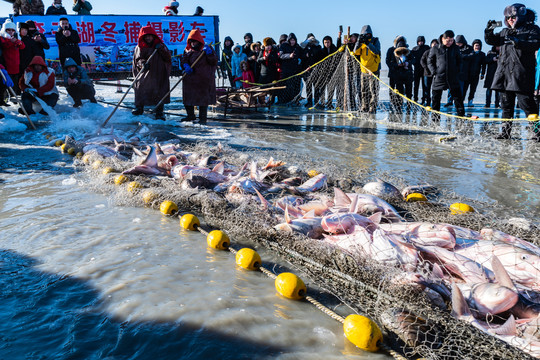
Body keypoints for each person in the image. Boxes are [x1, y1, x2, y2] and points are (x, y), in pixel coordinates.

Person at [485, 3, 540, 140]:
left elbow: (535, 44)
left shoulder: (532, 29)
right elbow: (491, 40)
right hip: (504, 75)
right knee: (506, 106)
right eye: (508, 17)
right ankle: (505, 132)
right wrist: (489, 30)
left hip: (521, 75)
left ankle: (537, 131)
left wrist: (518, 42)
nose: (510, 19)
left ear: (521, 16)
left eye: (513, 16)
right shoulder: (504, 32)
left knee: (527, 105)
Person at [132, 25, 171, 120]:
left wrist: (161, 49)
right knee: (140, 88)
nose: (148, 38)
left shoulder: (160, 45)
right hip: (145, 73)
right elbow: (138, 59)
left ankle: (159, 112)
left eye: (150, 36)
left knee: (159, 91)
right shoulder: (140, 47)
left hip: (159, 73)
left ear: (154, 36)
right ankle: (139, 108)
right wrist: (142, 64)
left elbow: (167, 57)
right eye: (146, 36)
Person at [181, 28, 217, 123]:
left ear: (199, 41)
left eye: (195, 41)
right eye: (191, 41)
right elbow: (183, 60)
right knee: (188, 97)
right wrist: (185, 65)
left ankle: (202, 118)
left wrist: (209, 54)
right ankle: (190, 115)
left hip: (203, 79)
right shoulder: (187, 50)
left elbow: (213, 61)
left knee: (202, 99)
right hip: (190, 79)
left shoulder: (206, 49)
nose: (193, 43)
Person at [428, 30, 466, 117]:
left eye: (452, 40)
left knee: (458, 98)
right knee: (436, 99)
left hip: (452, 77)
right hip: (439, 77)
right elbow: (430, 61)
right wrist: (434, 72)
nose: (450, 42)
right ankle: (435, 117)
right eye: (448, 40)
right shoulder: (435, 48)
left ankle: (461, 116)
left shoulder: (455, 48)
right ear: (443, 39)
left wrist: (457, 71)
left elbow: (460, 61)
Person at [353, 25, 381, 113]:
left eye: (368, 34)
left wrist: (368, 43)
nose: (366, 36)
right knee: (364, 90)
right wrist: (358, 42)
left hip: (373, 71)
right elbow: (355, 52)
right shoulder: (361, 43)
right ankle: (364, 106)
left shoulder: (375, 41)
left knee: (373, 90)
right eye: (364, 34)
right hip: (364, 70)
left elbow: (376, 51)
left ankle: (372, 108)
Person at [387, 35, 413, 112]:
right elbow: (388, 61)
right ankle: (396, 105)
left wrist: (408, 63)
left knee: (409, 92)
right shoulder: (391, 50)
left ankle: (408, 106)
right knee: (397, 91)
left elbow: (413, 60)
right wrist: (397, 65)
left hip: (407, 74)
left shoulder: (408, 51)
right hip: (396, 74)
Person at [1, 20, 25, 94]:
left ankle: (13, 98)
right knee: (5, 86)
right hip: (6, 67)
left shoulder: (15, 38)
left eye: (12, 30)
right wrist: (12, 42)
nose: (11, 32)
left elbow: (22, 46)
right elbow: (4, 46)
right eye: (8, 30)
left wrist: (18, 42)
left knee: (14, 84)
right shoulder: (2, 38)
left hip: (15, 67)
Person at [278, 33, 302, 104]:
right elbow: (281, 55)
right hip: (286, 71)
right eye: (291, 40)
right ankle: (284, 101)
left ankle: (295, 100)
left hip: (295, 70)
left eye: (294, 40)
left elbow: (301, 53)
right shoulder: (284, 46)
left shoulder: (297, 47)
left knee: (295, 87)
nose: (292, 42)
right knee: (286, 87)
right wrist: (289, 56)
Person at [315, 35, 338, 108]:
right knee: (322, 88)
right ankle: (322, 102)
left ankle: (329, 102)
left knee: (331, 88)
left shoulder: (334, 49)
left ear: (331, 42)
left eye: (328, 42)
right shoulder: (321, 51)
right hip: (323, 73)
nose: (327, 44)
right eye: (325, 43)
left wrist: (339, 37)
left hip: (332, 72)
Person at [465, 39, 486, 107]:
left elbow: (484, 65)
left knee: (473, 90)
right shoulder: (469, 53)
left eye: (478, 45)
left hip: (476, 75)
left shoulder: (482, 54)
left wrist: (482, 73)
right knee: (465, 89)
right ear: (473, 46)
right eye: (476, 45)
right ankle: (461, 101)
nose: (477, 47)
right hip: (467, 74)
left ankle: (470, 101)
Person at [411, 36, 430, 105]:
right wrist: (414, 63)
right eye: (419, 41)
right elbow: (411, 58)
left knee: (424, 86)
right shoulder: (414, 49)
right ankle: (415, 98)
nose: (420, 42)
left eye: (422, 41)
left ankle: (424, 99)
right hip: (416, 70)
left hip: (424, 70)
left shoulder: (427, 48)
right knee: (416, 85)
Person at [420, 39, 439, 107]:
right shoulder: (427, 52)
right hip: (427, 73)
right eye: (433, 43)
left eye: (436, 44)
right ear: (431, 44)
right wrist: (426, 68)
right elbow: (422, 61)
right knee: (426, 88)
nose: (434, 45)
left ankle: (433, 102)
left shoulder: (439, 53)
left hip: (435, 74)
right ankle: (426, 101)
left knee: (435, 89)